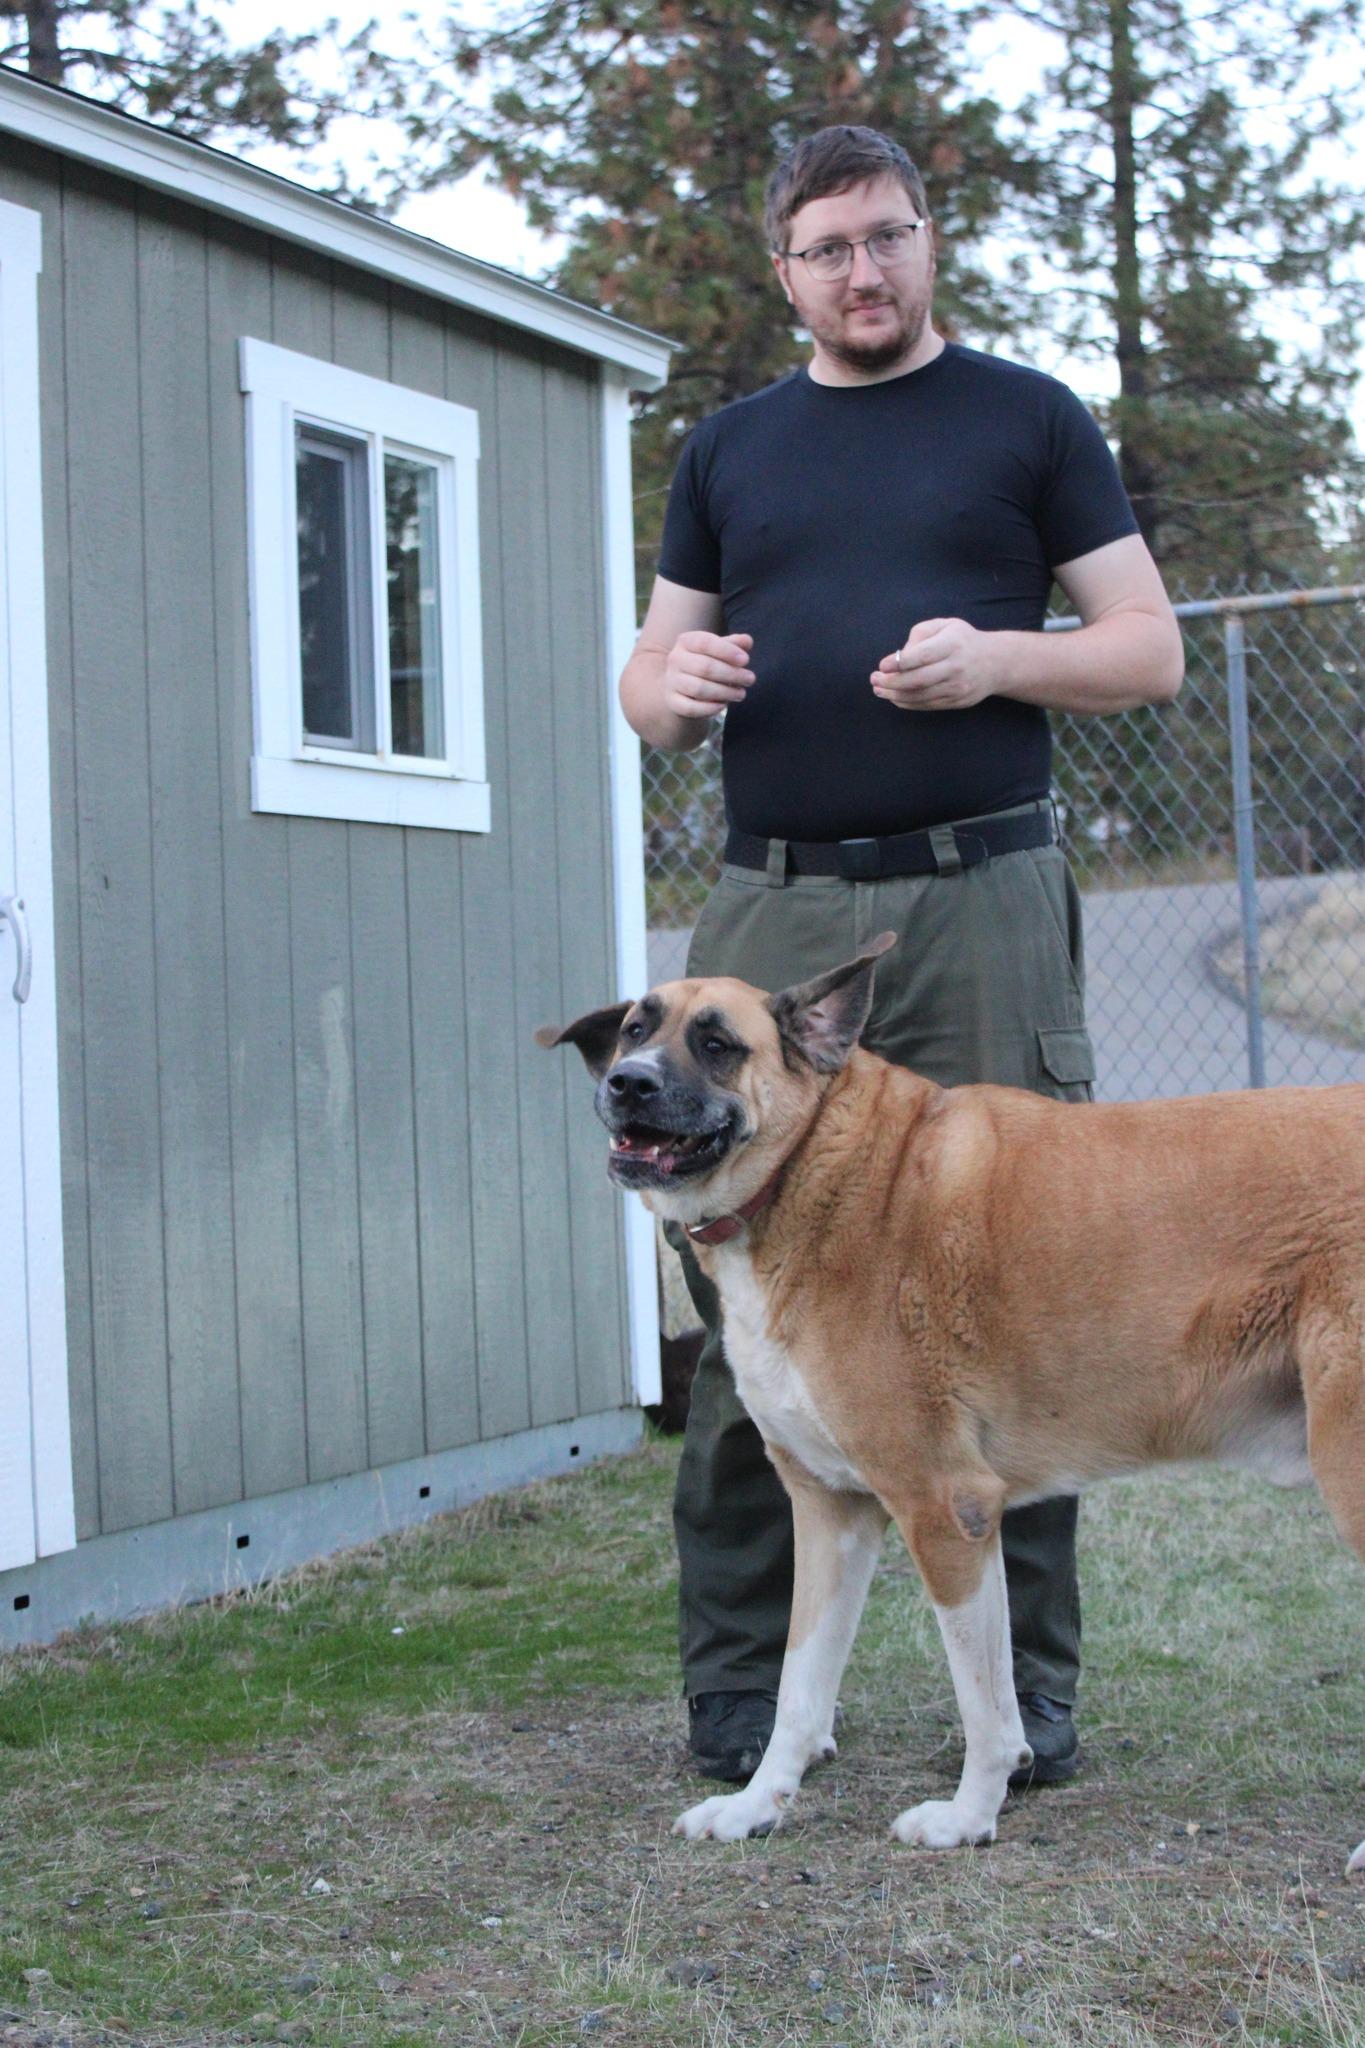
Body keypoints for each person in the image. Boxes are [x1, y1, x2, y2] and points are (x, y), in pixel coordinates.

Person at [618, 125, 1183, 1790]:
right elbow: (646, 678)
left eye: (888, 238)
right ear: (781, 270)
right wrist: (674, 688)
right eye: (827, 250)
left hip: (980, 897)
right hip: (773, 907)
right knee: (749, 1306)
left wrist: (1001, 657)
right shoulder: (727, 449)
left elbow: (1145, 650)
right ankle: (738, 1698)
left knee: (1031, 1283)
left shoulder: (1026, 417)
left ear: (928, 242)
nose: (862, 273)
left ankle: (1027, 1708)